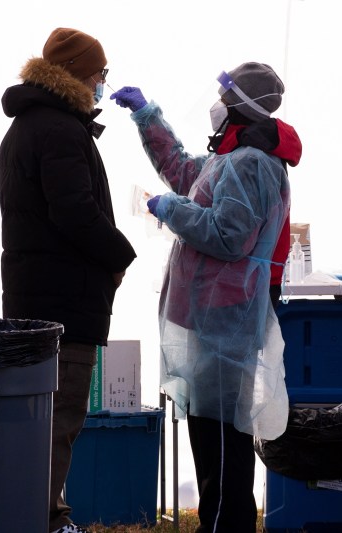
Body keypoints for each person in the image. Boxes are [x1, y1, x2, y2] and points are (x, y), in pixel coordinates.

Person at [110, 62, 302, 533]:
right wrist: (147, 116)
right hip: (211, 316)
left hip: (226, 315)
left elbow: (228, 235)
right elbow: (185, 171)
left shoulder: (251, 163)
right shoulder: (231, 156)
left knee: (220, 432)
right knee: (208, 425)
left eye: (224, 94)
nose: (215, 103)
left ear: (241, 106)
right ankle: (217, 520)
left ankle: (224, 524)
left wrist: (170, 209)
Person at [0, 27, 136, 533]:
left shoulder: (28, 126)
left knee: (38, 420)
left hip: (35, 295)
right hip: (64, 302)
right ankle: (45, 520)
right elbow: (75, 212)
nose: (103, 81)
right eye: (100, 72)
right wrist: (120, 255)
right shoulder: (59, 129)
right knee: (59, 420)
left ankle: (38, 513)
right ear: (80, 73)